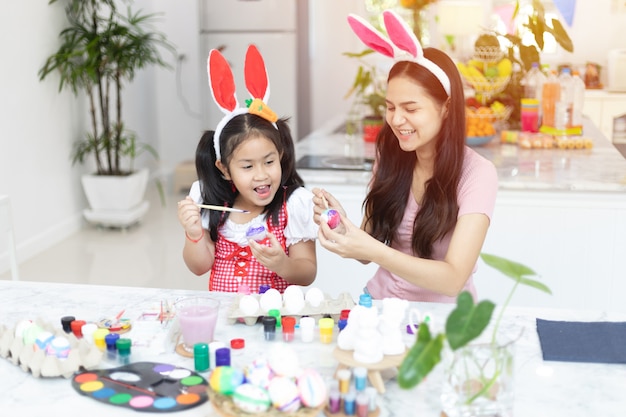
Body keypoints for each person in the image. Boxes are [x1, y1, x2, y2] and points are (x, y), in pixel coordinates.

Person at [313, 10, 498, 302]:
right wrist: (343, 227)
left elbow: (452, 279)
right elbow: (367, 251)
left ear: (446, 108)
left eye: (411, 109)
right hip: (380, 304)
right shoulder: (391, 154)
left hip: (443, 319)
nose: (397, 120)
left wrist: (372, 249)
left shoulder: (478, 174)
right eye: (390, 107)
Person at [178, 45, 317, 293]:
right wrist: (193, 233)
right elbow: (199, 267)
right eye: (247, 166)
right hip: (224, 320)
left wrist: (282, 264)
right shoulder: (214, 203)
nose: (261, 174)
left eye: (269, 162)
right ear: (224, 169)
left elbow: (307, 272)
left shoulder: (293, 204)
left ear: (281, 155)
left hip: (272, 322)